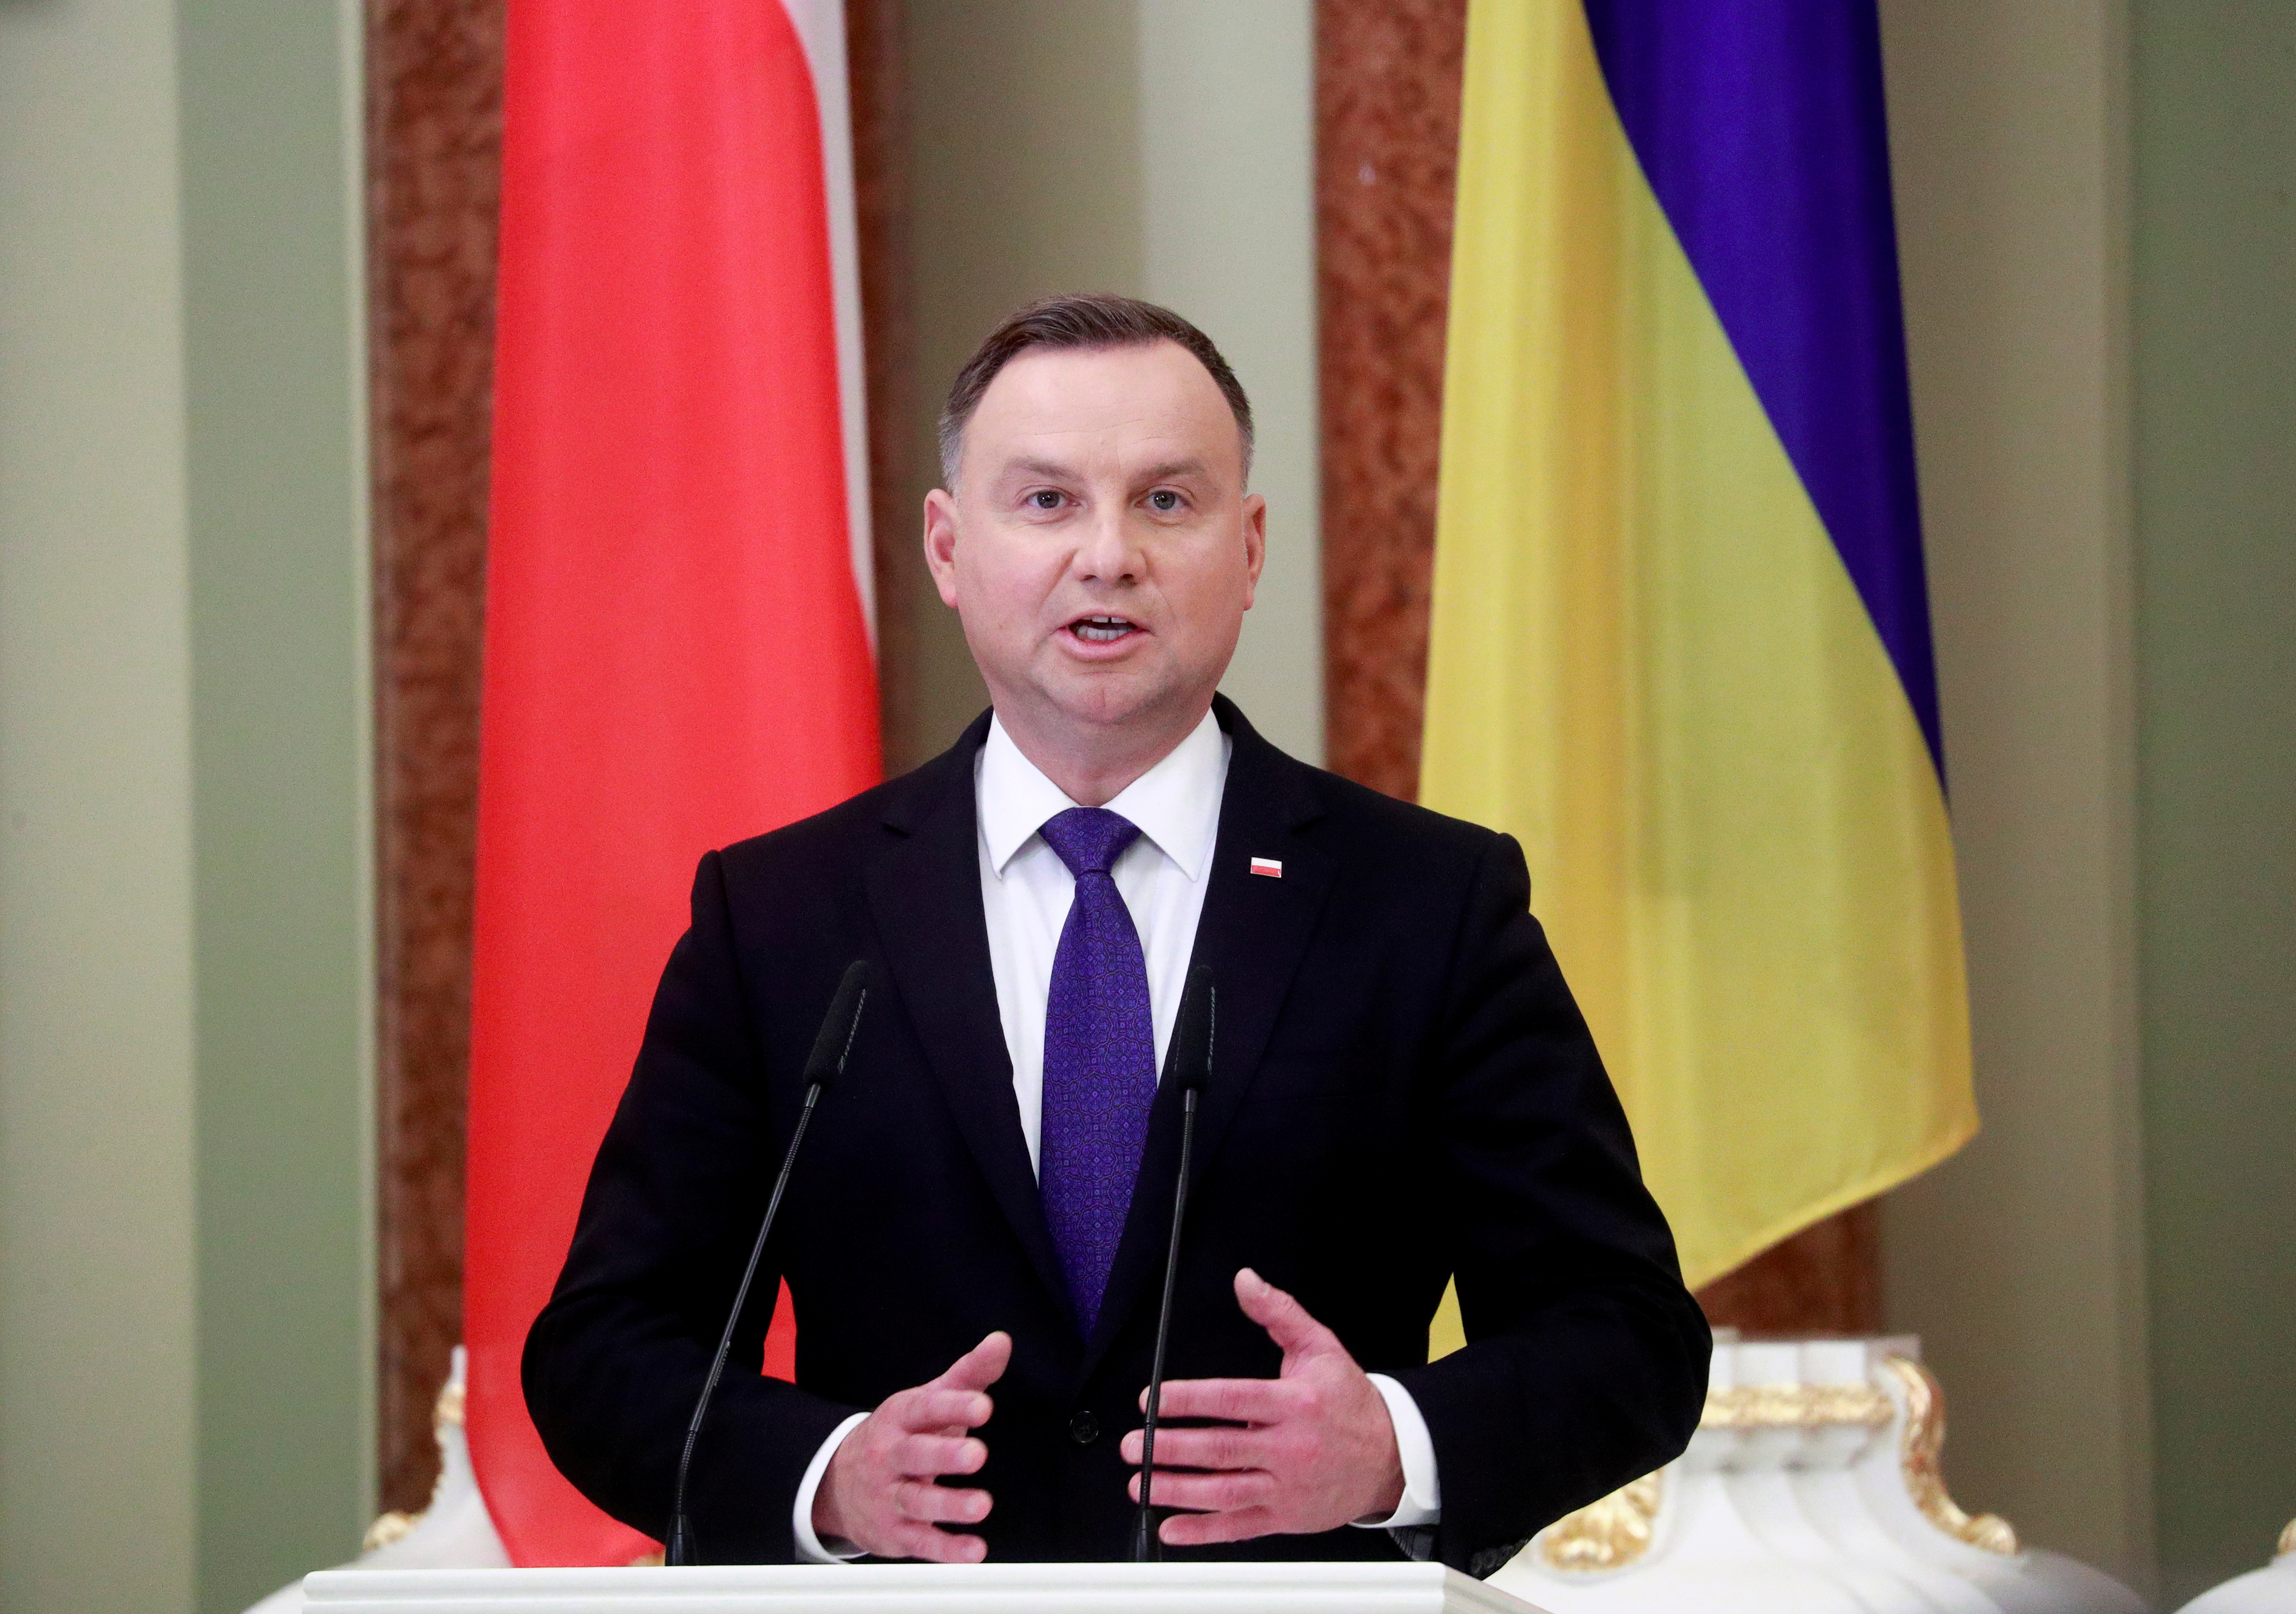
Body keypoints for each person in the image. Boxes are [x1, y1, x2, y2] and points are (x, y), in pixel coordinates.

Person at [524, 293, 1710, 1575]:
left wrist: (1391, 1445)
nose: (1106, 555)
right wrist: (829, 1478)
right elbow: (606, 1346)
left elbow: (1626, 1331)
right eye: (1044, 501)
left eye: (1165, 501)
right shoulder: (784, 917)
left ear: (1248, 549)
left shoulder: (1423, 903)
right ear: (945, 544)